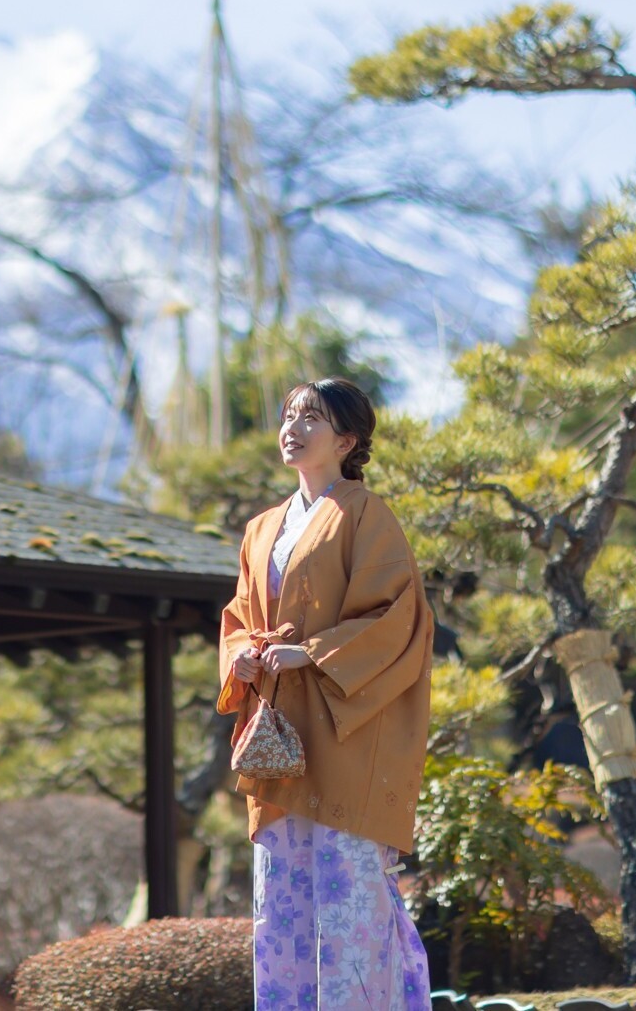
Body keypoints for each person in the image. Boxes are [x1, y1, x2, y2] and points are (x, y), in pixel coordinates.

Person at [216, 377, 434, 1011]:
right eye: (288, 414)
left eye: (311, 417)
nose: (293, 426)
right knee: (281, 901)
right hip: (281, 728)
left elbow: (400, 619)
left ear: (346, 439)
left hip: (346, 726)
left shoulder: (368, 514)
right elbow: (237, 616)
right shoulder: (262, 529)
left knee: (348, 897)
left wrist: (312, 652)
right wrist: (246, 657)